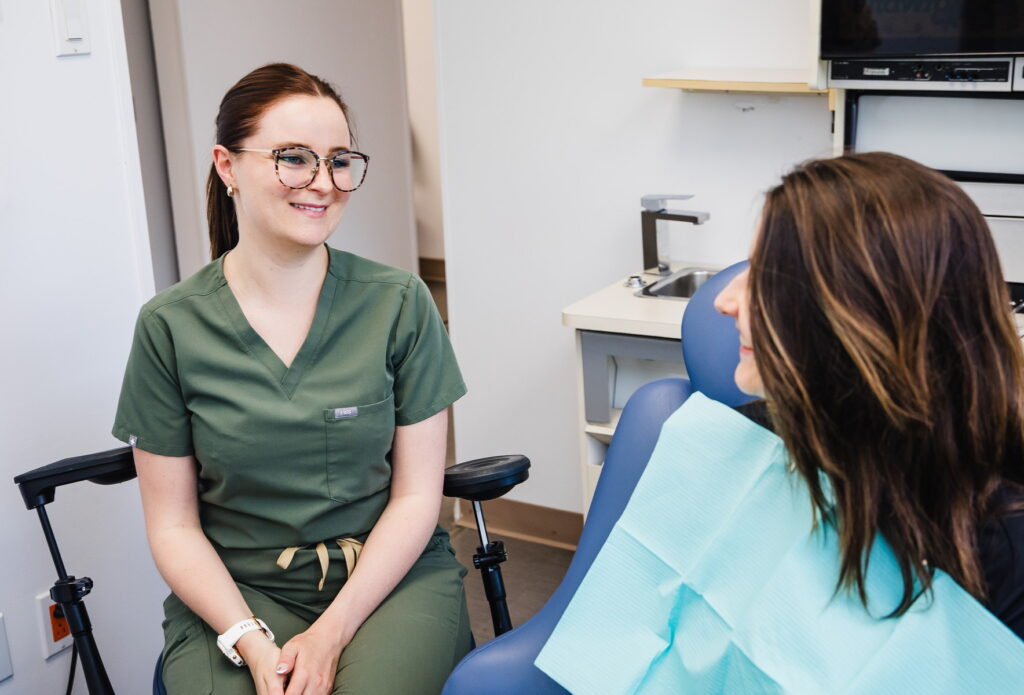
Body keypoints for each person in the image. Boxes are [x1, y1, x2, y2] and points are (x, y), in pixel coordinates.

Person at [112, 63, 472, 695]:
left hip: (386, 580)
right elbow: (172, 526)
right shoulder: (170, 328)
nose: (323, 183)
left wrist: (331, 634)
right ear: (227, 167)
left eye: (339, 161)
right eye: (294, 158)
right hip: (237, 591)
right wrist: (249, 640)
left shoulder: (397, 304)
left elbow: (419, 497)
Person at [713, 151, 1024, 636]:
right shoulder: (747, 440)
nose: (724, 301)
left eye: (764, 277)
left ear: (857, 321)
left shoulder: (1003, 545)